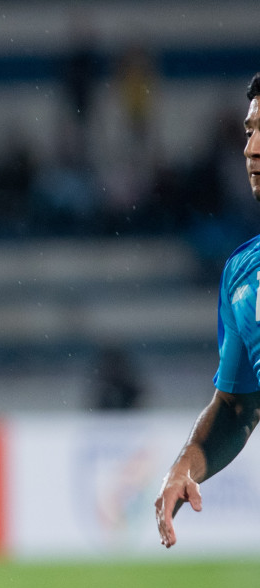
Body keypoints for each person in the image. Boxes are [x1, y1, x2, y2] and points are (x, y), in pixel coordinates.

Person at [155, 73, 260, 549]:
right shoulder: (242, 274)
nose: (251, 148)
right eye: (249, 131)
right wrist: (186, 463)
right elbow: (237, 407)